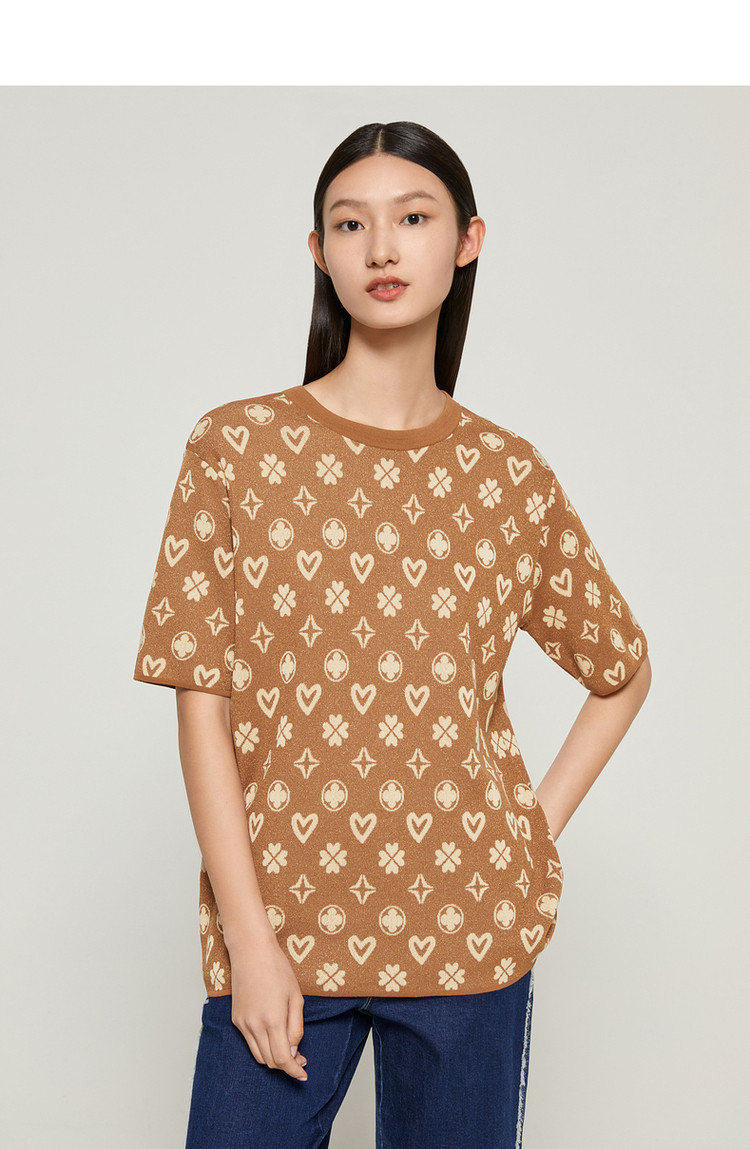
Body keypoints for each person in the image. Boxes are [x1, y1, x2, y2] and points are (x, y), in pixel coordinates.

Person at [133, 120, 652, 1149]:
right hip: (281, 937)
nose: (381, 247)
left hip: (470, 941)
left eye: (413, 218)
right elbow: (202, 705)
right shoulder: (235, 449)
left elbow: (621, 670)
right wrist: (250, 942)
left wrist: (525, 835)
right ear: (318, 251)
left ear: (467, 241)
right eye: (349, 223)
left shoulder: (509, 477)